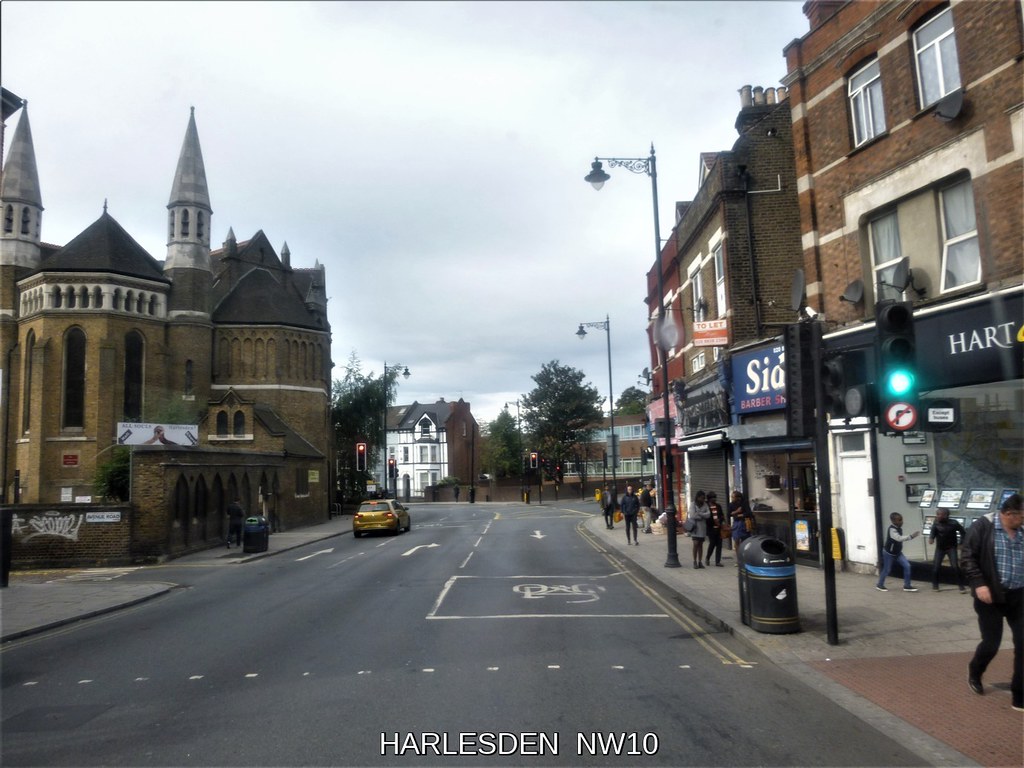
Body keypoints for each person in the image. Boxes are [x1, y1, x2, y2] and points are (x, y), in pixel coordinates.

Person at [960, 493, 1023, 711]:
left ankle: (1020, 695)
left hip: (1019, 595)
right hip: (991, 596)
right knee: (991, 643)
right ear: (1009, 514)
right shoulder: (983, 526)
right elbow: (967, 556)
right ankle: (975, 670)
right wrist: (979, 583)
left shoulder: (1022, 531)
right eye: (1022, 515)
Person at [875, 512, 920, 592]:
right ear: (893, 521)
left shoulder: (899, 528)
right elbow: (898, 538)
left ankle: (907, 585)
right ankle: (880, 584)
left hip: (897, 553)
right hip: (889, 553)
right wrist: (911, 536)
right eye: (899, 520)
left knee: (907, 566)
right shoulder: (892, 530)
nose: (901, 521)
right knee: (887, 569)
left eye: (901, 519)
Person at [929, 507, 966, 592]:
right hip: (940, 549)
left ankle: (961, 586)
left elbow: (963, 532)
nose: (937, 516)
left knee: (955, 567)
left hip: (951, 548)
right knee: (936, 567)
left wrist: (961, 543)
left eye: (939, 514)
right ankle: (935, 585)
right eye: (937, 514)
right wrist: (931, 538)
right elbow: (933, 532)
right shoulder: (936, 523)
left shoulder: (954, 523)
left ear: (946, 515)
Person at [687, 490, 711, 569]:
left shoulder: (705, 505)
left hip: (702, 528)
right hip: (695, 528)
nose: (703, 500)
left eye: (704, 498)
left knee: (700, 545)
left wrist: (700, 514)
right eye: (701, 498)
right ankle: (694, 561)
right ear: (698, 497)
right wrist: (702, 515)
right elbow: (693, 515)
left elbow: (708, 515)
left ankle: (700, 561)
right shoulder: (693, 504)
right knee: (695, 544)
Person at [729, 490, 752, 563]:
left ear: (738, 498)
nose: (732, 498)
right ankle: (739, 559)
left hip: (744, 523)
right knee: (736, 541)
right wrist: (737, 512)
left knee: (745, 541)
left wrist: (740, 515)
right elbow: (729, 514)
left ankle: (745, 558)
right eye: (731, 497)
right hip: (736, 523)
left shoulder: (744, 503)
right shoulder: (731, 504)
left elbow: (749, 513)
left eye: (733, 497)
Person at [704, 491, 726, 567]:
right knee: (712, 544)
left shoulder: (718, 506)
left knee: (719, 545)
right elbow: (706, 518)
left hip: (719, 528)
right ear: (709, 499)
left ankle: (718, 561)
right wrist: (714, 522)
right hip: (711, 528)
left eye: (715, 497)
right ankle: (707, 558)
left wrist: (720, 521)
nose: (715, 499)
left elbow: (722, 515)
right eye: (713, 498)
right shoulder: (706, 507)